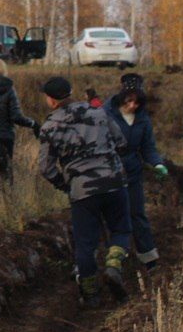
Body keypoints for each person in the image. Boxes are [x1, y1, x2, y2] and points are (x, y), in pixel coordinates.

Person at [37, 76, 132, 307]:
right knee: (120, 229)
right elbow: (121, 142)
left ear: (51, 100)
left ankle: (90, 295)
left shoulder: (49, 127)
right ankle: (113, 266)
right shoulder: (98, 113)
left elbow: (45, 168)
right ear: (71, 92)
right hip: (113, 181)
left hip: (82, 190)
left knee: (85, 244)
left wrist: (65, 184)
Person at [105, 86, 169, 270]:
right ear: (121, 100)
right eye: (129, 101)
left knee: (137, 215)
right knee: (111, 217)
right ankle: (109, 259)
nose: (132, 106)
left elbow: (148, 148)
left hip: (133, 172)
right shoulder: (105, 115)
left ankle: (149, 258)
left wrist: (157, 164)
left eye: (137, 102)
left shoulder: (143, 120)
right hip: (108, 172)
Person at [0, 59, 39, 181]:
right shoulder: (9, 89)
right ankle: (8, 199)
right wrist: (33, 123)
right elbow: (16, 116)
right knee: (6, 174)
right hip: (5, 136)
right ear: (4, 71)